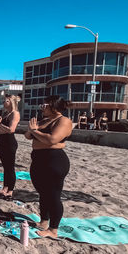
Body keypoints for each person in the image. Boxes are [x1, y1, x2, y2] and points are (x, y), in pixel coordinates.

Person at [25, 95, 73, 239]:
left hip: (54, 161)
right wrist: (32, 130)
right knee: (43, 193)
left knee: (53, 195)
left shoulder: (63, 121)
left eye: (45, 104)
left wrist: (35, 131)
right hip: (39, 160)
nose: (42, 107)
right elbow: (27, 135)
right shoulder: (44, 120)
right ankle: (44, 221)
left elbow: (53, 139)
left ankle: (53, 229)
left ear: (54, 106)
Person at [0, 95, 20, 197]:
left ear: (12, 102)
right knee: (5, 167)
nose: (4, 103)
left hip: (10, 142)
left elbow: (11, 130)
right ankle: (5, 187)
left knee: (10, 167)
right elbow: (0, 129)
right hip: (2, 141)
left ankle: (10, 190)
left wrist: (0, 123)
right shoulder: (5, 114)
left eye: (6, 101)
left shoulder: (15, 114)